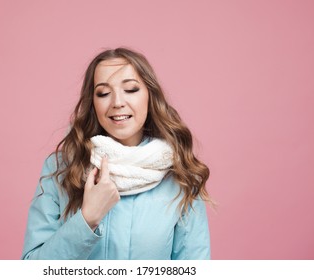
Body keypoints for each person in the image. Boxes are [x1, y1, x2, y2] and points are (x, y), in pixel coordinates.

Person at [21, 47, 211, 260]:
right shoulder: (62, 167)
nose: (118, 102)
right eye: (103, 93)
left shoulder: (181, 175)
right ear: (93, 103)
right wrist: (87, 218)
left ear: (150, 95)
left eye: (131, 89)